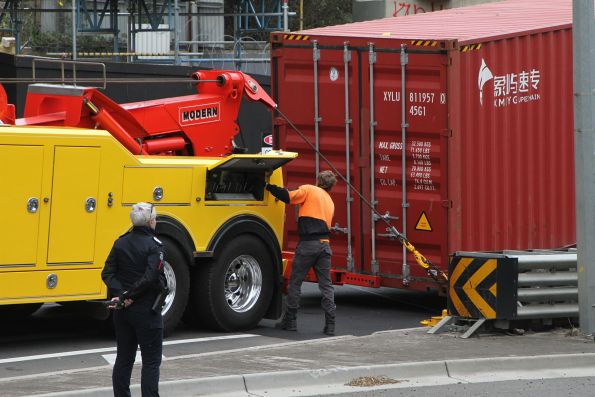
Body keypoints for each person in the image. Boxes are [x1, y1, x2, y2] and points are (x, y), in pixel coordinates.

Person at [101, 202, 166, 397]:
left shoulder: (120, 242)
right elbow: (150, 277)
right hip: (147, 312)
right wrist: (129, 296)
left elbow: (107, 273)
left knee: (123, 359)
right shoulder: (155, 246)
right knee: (151, 363)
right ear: (151, 221)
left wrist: (122, 295)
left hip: (122, 312)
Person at [265, 170, 338, 336]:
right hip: (325, 245)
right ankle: (330, 324)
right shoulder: (330, 201)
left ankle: (290, 321)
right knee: (326, 285)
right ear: (331, 186)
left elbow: (288, 196)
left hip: (307, 245)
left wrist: (268, 186)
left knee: (295, 283)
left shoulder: (309, 189)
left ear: (318, 181)